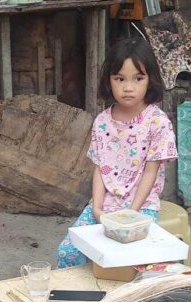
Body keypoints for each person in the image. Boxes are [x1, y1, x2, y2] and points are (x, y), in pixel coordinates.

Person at [57, 39, 178, 268]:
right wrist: (97, 208)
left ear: (150, 80)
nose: (128, 87)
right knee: (68, 253)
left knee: (128, 261)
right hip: (105, 206)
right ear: (108, 81)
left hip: (141, 207)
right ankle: (75, 299)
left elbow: (150, 173)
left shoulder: (157, 122)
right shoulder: (102, 122)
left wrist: (131, 215)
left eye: (138, 78)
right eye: (119, 79)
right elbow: (100, 168)